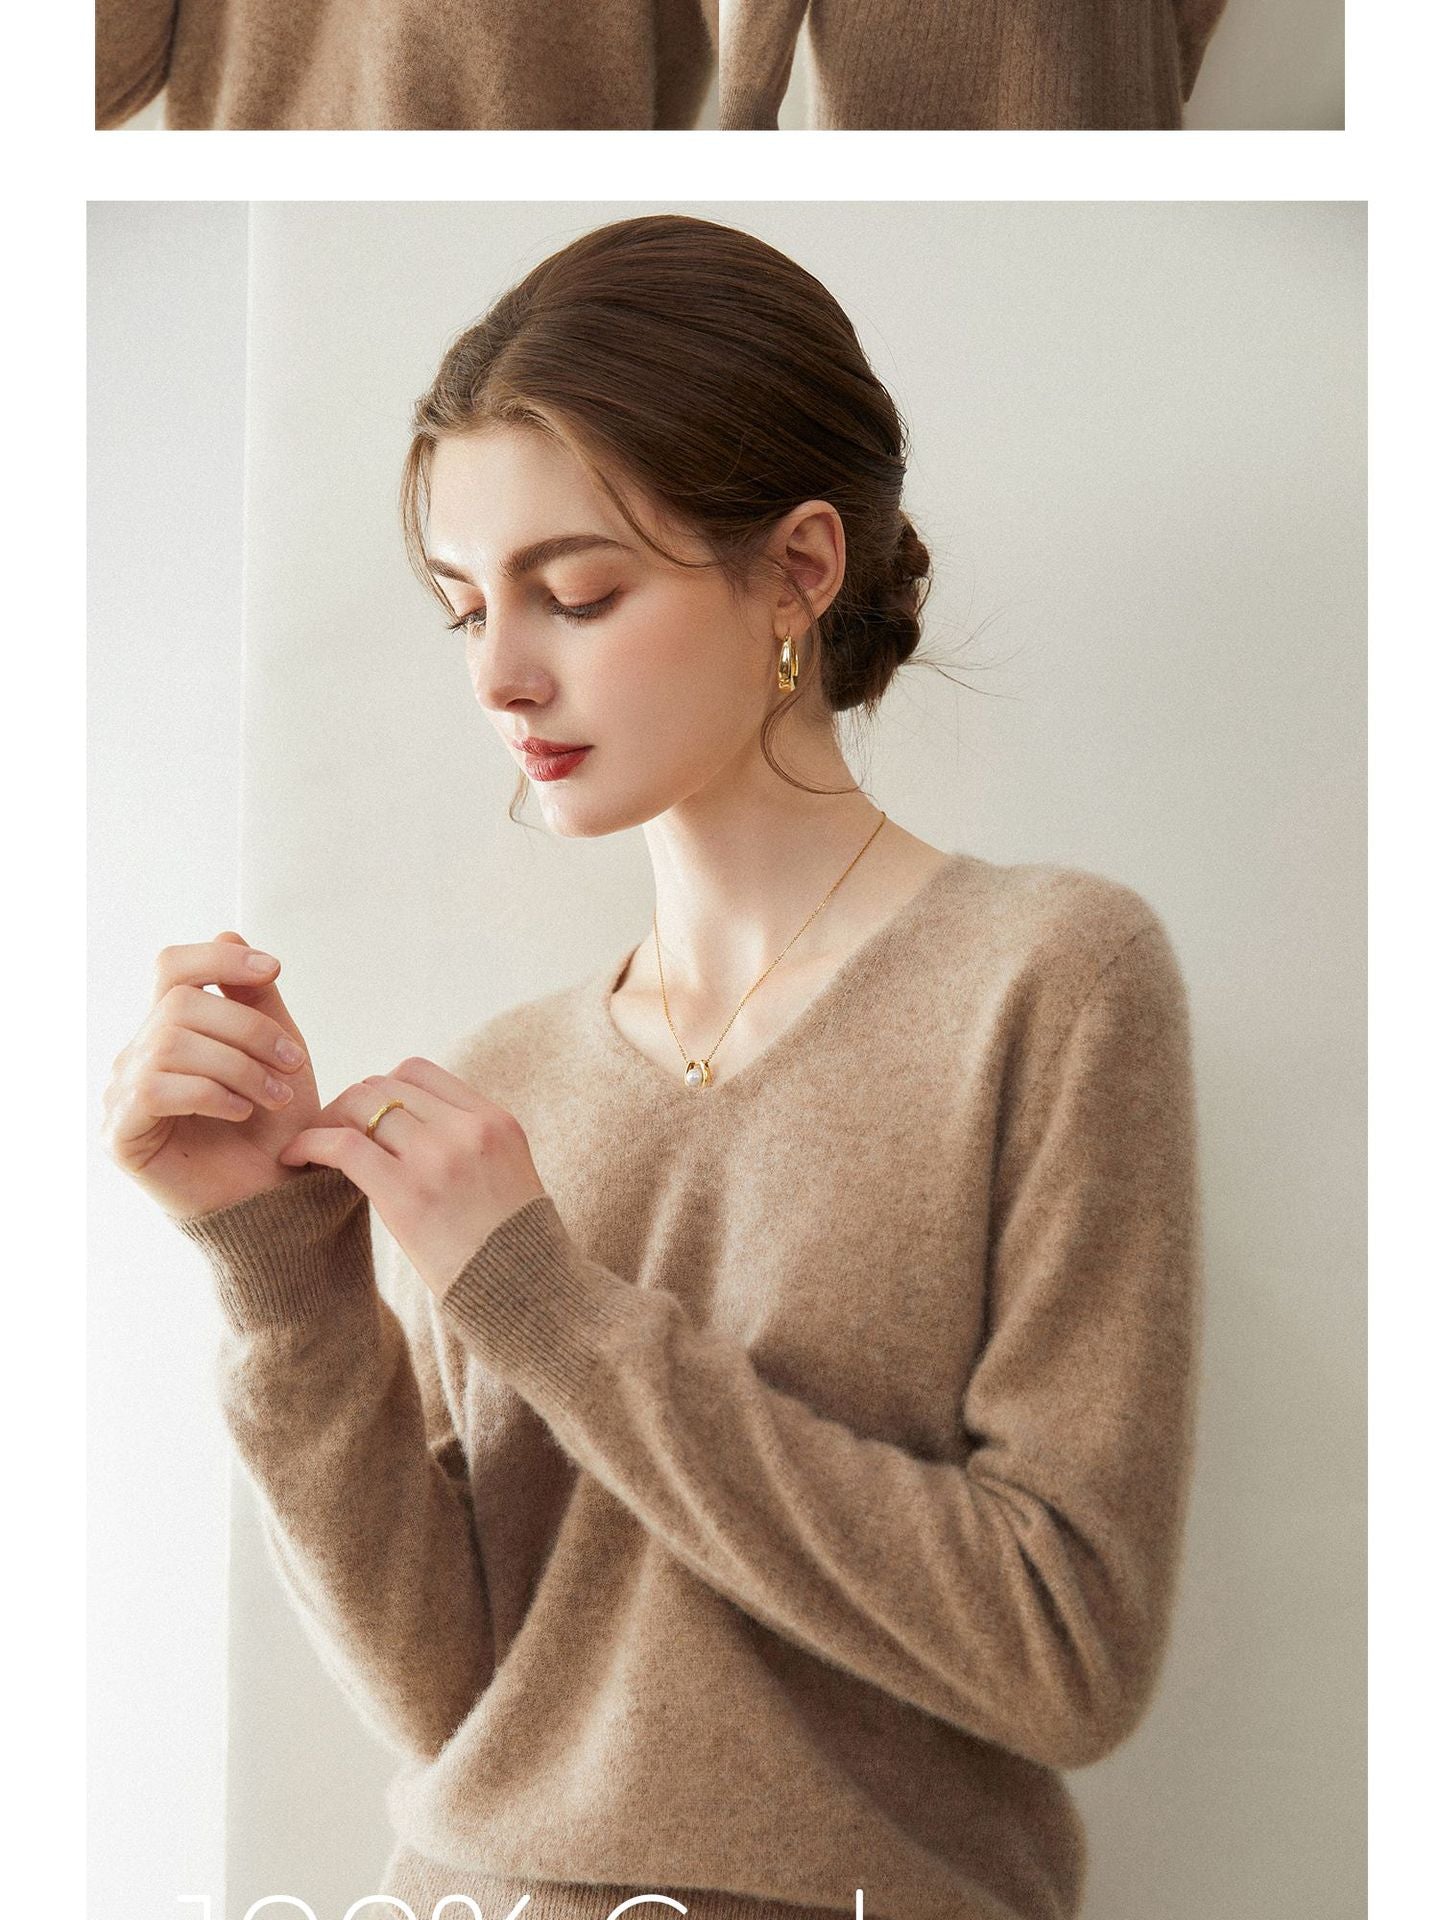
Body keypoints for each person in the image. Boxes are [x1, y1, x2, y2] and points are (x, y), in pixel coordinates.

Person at [101, 214, 1204, 1919]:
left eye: (579, 593)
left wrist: (545, 1302)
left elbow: (1068, 1653)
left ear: (800, 568)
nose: (500, 673)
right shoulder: (506, 1083)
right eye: (466, 607)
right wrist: (275, 1267)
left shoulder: (1047, 979)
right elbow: (467, 1710)